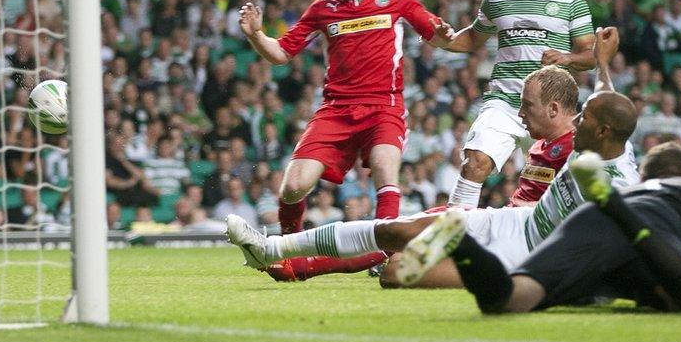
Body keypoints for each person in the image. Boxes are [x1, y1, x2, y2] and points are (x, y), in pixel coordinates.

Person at [227, 27, 637, 287]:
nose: (520, 114)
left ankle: (299, 263)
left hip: (526, 250)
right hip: (505, 220)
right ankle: (276, 251)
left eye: (527, 107)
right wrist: (601, 61)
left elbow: (619, 232)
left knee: (393, 266)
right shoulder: (590, 133)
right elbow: (605, 98)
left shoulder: (593, 162)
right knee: (395, 230)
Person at [237, 0, 442, 277]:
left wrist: (457, 34)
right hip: (336, 110)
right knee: (293, 187)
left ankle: (388, 258)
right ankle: (290, 246)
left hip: (384, 106)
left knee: (384, 168)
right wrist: (256, 34)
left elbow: (437, 32)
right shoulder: (323, 9)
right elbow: (282, 53)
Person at [399, 141, 681, 314]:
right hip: (639, 228)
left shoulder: (639, 187)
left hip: (591, 220)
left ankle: (461, 242)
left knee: (511, 299)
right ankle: (614, 205)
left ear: (646, 176)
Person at [427, 0, 596, 209]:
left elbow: (589, 56)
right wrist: (442, 39)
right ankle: (452, 237)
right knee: (474, 163)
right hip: (504, 102)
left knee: (563, 180)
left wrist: (566, 58)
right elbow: (471, 40)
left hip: (549, 110)